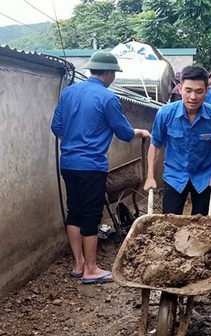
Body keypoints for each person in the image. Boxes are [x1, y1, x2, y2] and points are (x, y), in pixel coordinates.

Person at [51, 51, 151, 284]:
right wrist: (140, 132)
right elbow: (125, 133)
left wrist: (76, 137)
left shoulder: (68, 93)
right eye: (114, 72)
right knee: (91, 215)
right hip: (91, 166)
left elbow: (56, 127)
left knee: (74, 211)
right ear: (107, 73)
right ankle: (91, 270)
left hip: (68, 163)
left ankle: (79, 265)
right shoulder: (108, 98)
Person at [144, 65, 211, 215]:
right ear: (179, 88)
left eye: (199, 91)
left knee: (201, 225)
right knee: (169, 224)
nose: (193, 97)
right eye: (188, 90)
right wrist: (150, 176)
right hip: (174, 176)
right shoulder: (165, 114)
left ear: (207, 91)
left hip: (204, 177)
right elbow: (155, 145)